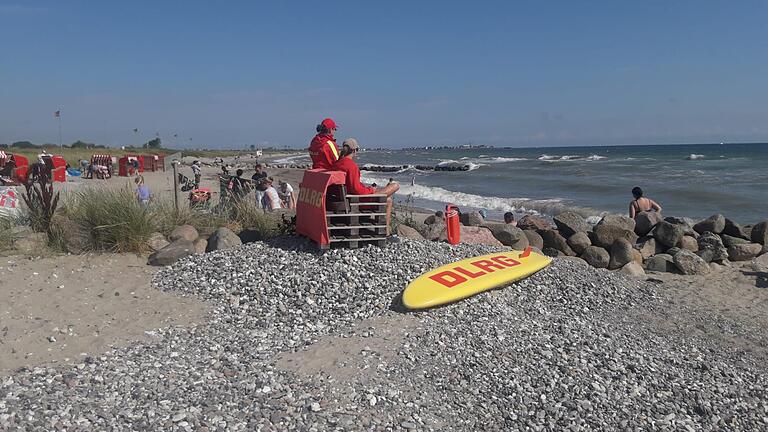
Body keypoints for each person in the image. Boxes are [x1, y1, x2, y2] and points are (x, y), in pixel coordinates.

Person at [332, 138, 399, 233]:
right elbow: (356, 190)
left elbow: (351, 186)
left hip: (343, 198)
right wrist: (370, 190)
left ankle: (387, 230)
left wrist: (369, 189)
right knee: (395, 186)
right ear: (354, 150)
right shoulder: (351, 166)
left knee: (388, 199)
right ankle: (386, 230)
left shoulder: (337, 164)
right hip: (355, 201)